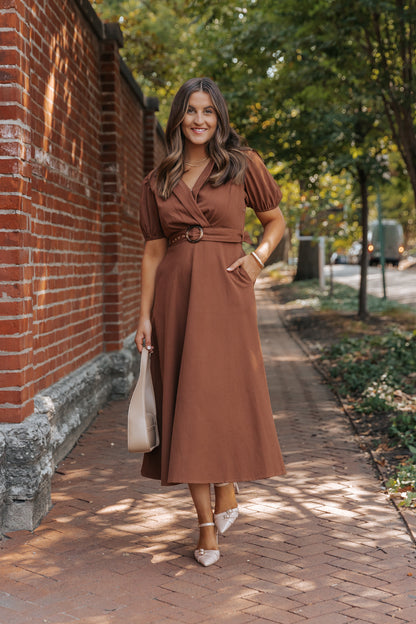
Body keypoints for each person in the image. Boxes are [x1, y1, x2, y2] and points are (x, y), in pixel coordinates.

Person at [135, 77, 286, 567]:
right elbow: (154, 251)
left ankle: (227, 483)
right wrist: (144, 317)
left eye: (209, 112)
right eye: (191, 111)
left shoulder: (243, 165)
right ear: (179, 117)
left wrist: (257, 260)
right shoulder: (157, 180)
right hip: (176, 294)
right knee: (185, 400)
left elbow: (275, 221)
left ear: (219, 117)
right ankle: (204, 524)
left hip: (227, 288)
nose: (199, 120)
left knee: (219, 395)